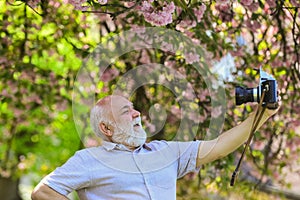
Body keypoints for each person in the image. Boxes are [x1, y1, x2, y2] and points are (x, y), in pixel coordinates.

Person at [31, 95, 279, 200]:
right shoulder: (89, 160)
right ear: (107, 128)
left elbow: (219, 146)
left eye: (134, 107)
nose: (137, 113)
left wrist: (261, 116)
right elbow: (42, 192)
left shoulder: (165, 152)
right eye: (126, 111)